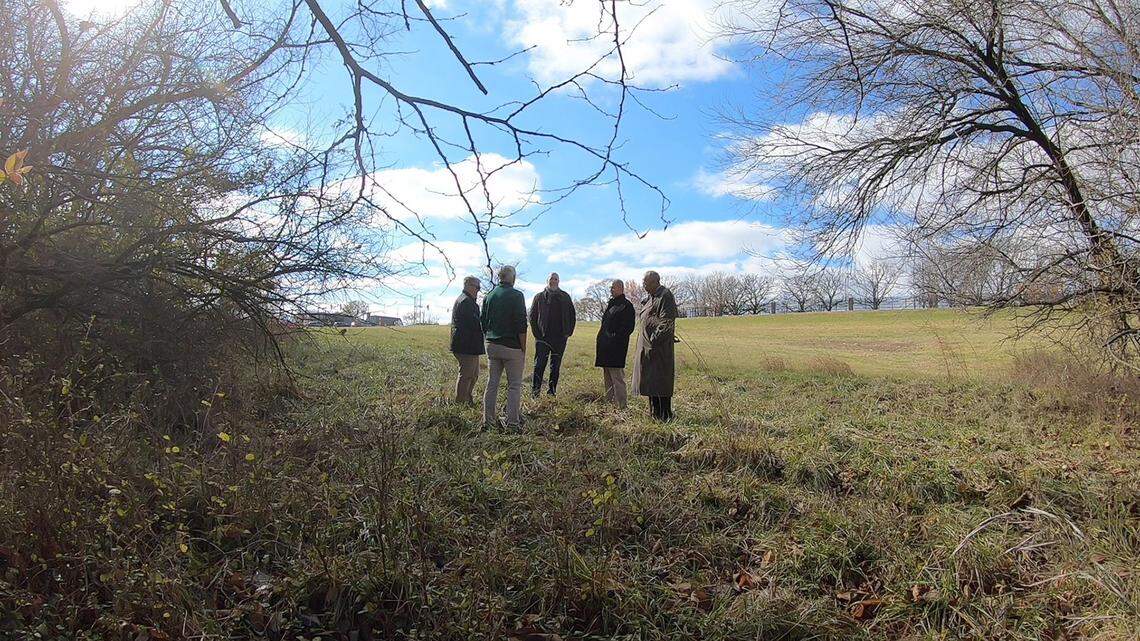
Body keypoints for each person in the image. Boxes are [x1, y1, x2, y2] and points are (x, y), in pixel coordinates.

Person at [481, 265, 528, 429]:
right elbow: (522, 324)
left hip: (492, 345)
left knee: (492, 383)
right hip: (512, 347)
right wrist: (523, 348)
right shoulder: (517, 296)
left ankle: (488, 421)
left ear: (499, 278)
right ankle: (512, 423)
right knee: (514, 385)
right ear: (513, 278)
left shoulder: (489, 296)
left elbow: (483, 322)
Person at [631, 270, 678, 421]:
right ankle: (654, 416)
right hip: (647, 351)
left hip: (659, 350)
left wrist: (653, 340)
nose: (643, 285)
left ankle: (664, 417)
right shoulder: (650, 298)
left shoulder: (665, 295)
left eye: (646, 282)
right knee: (651, 384)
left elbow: (667, 322)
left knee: (660, 384)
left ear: (655, 282)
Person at [529, 272, 576, 396]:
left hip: (560, 339)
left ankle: (552, 392)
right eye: (551, 279)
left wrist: (568, 332)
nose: (553, 281)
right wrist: (537, 335)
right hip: (542, 338)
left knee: (555, 367)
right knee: (539, 365)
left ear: (558, 281)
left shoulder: (565, 297)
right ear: (547, 281)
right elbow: (532, 317)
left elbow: (572, 315)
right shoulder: (539, 297)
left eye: (556, 279)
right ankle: (535, 392)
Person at [594, 279, 636, 408]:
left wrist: (614, 338)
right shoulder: (611, 304)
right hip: (605, 347)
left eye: (613, 287)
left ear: (621, 288)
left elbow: (628, 328)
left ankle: (622, 406)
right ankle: (610, 405)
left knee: (617, 378)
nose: (611, 290)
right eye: (610, 288)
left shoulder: (626, 306)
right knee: (607, 377)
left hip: (616, 348)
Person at [449, 276, 484, 404]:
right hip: (466, 345)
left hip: (469, 345)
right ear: (469, 285)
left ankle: (467, 400)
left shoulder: (467, 300)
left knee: (473, 374)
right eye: (477, 287)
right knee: (466, 375)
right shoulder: (466, 302)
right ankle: (460, 403)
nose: (478, 291)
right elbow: (474, 324)